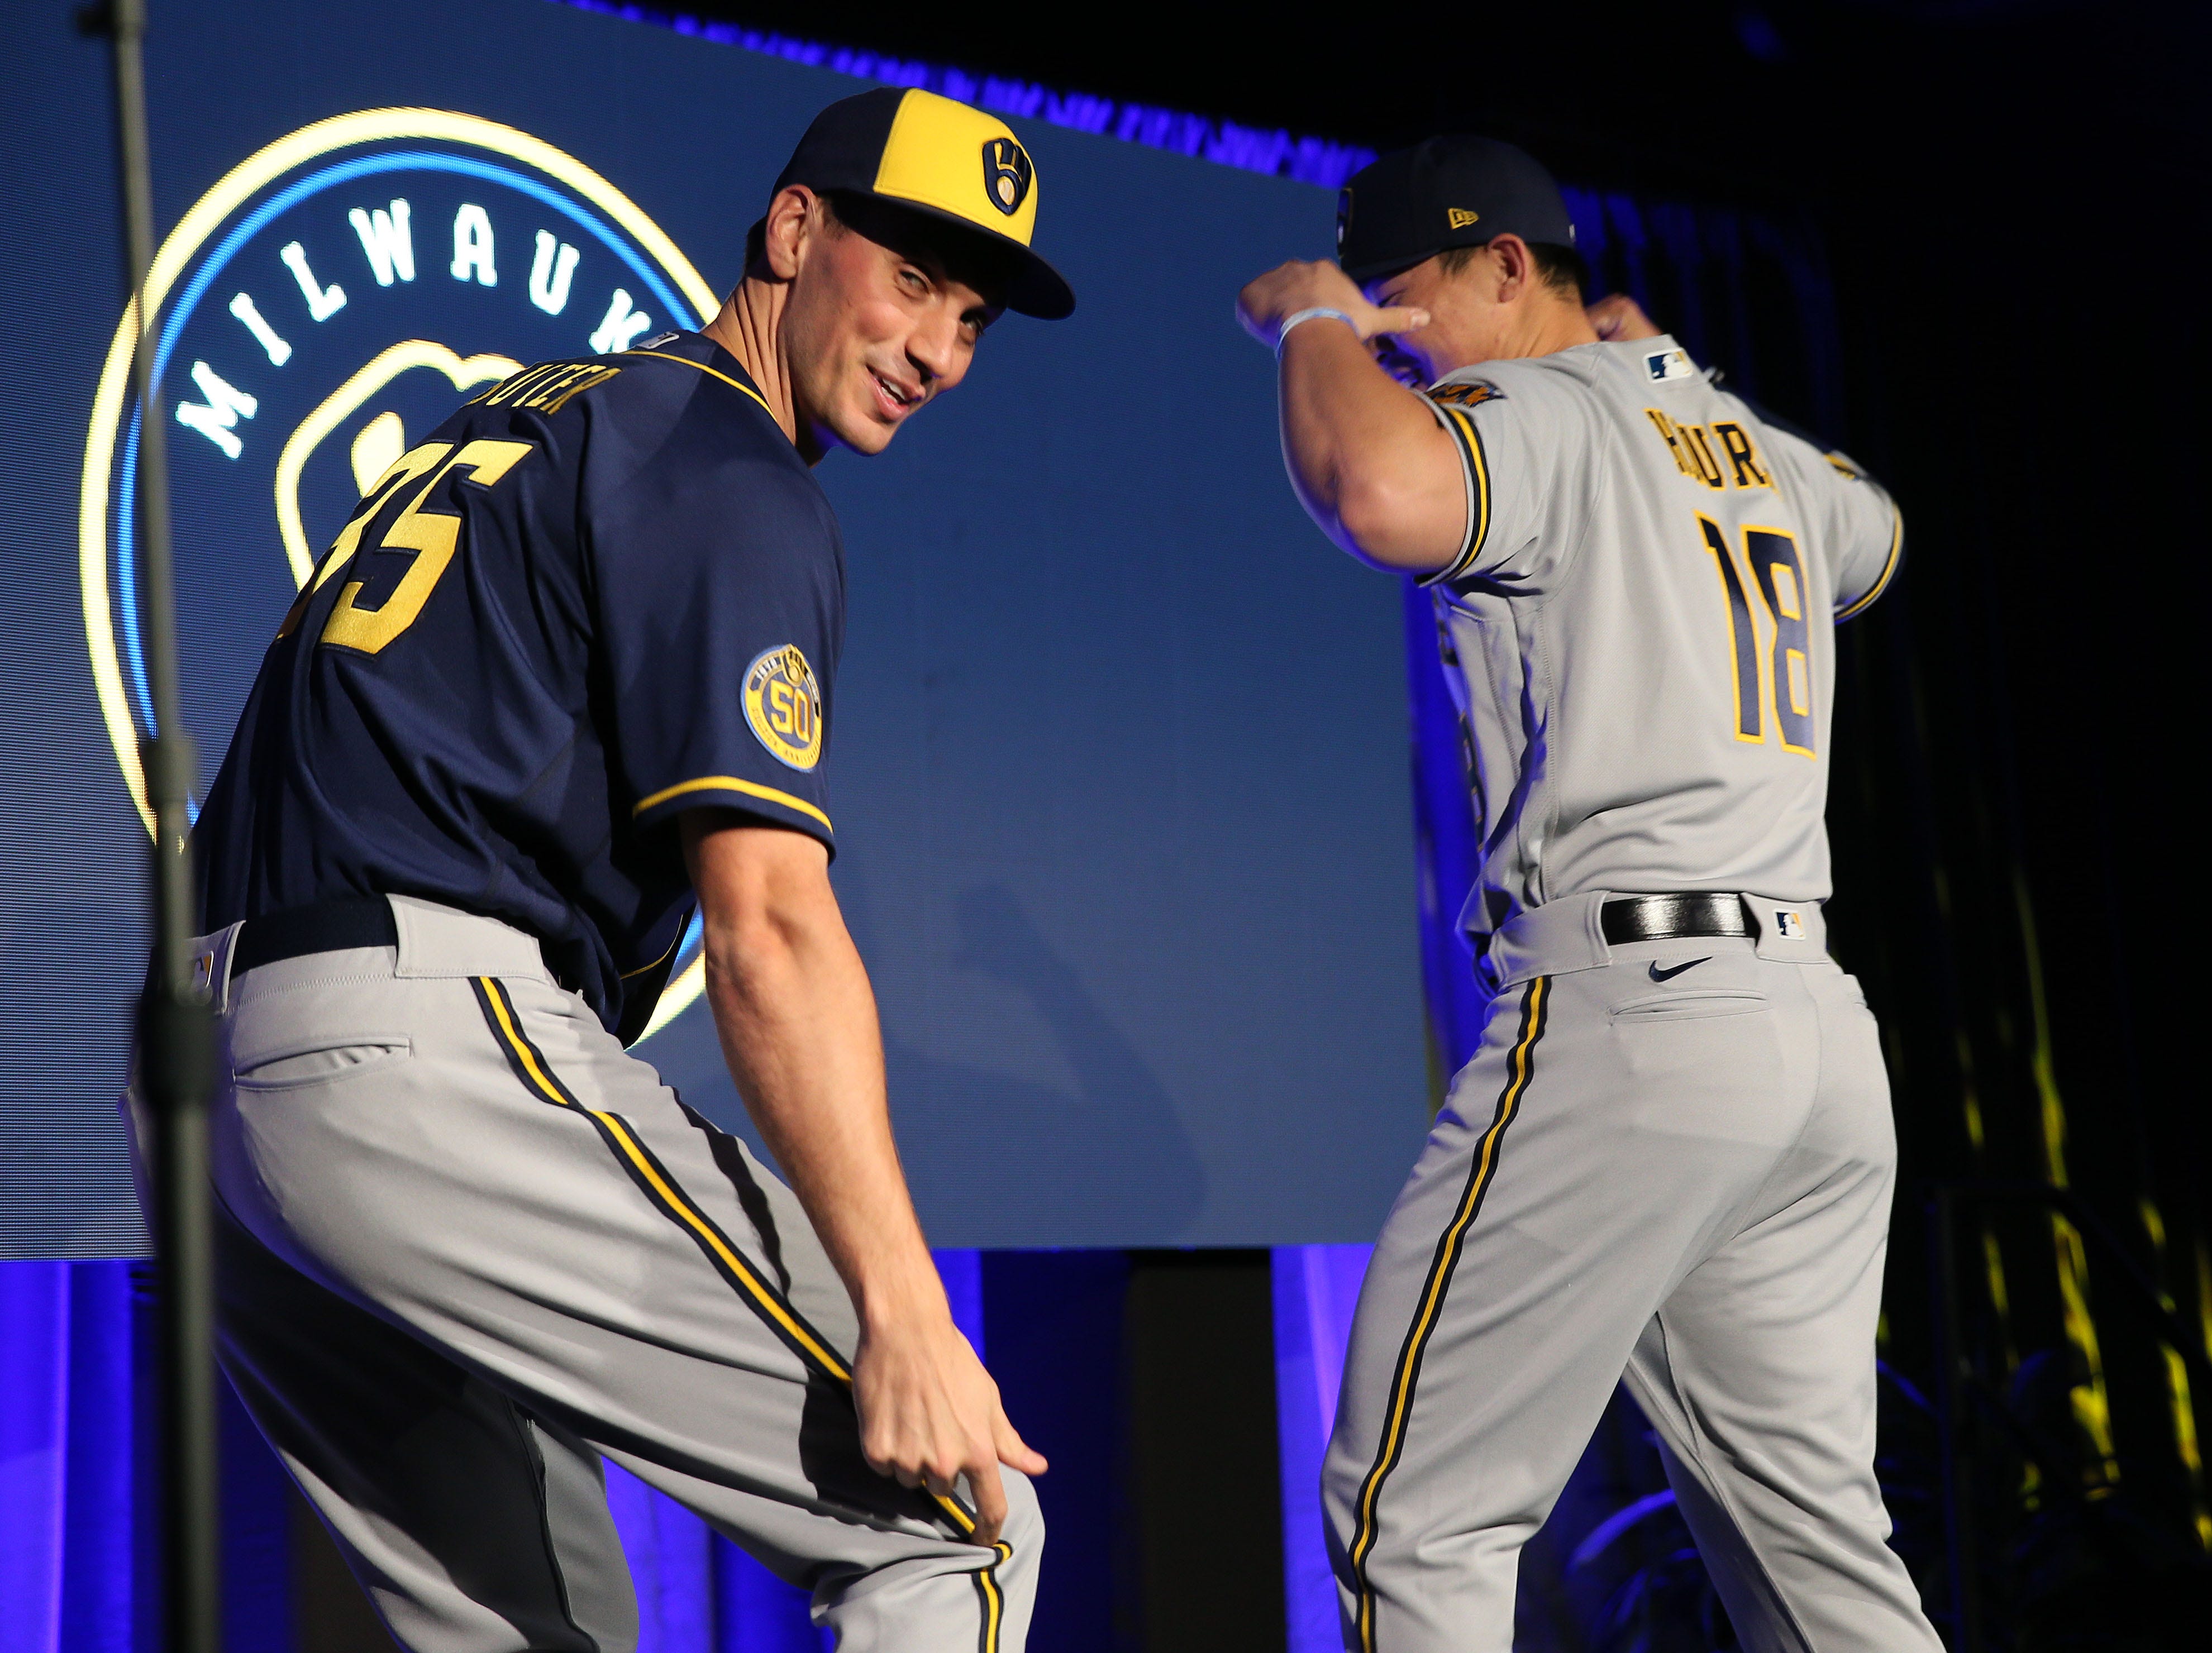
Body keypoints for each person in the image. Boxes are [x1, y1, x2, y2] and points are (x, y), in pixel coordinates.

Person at [173, 87, 1074, 1653]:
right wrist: (906, 1312)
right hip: (416, 1050)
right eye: (914, 280)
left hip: (210, 1095)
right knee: (966, 1531)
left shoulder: (539, 411)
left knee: (542, 1626)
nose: (941, 350)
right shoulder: (729, 467)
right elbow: (771, 928)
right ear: (795, 232)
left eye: (975, 315)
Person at [1237, 135, 1938, 1651]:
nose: (1387, 333)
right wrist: (1690, 391)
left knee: (1409, 1510)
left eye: (1400, 294)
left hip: (1637, 1015)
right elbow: (1875, 537)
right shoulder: (1729, 435)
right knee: (1823, 1558)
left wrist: (1306, 320)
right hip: (1812, 1038)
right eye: (1367, 305)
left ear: (1507, 266)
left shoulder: (1533, 411)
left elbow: (1376, 489)